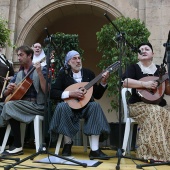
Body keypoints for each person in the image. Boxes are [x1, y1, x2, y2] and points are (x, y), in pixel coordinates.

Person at [49, 50, 110, 160]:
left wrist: (103, 82)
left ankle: (95, 150)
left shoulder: (89, 73)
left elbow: (97, 95)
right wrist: (71, 93)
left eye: (79, 58)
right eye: (74, 58)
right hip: (69, 107)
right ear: (68, 62)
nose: (78, 61)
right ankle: (68, 143)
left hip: (86, 107)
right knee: (62, 107)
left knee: (95, 106)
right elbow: (53, 92)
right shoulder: (63, 74)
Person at [122, 42, 170, 162]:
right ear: (138, 56)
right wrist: (144, 84)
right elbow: (125, 81)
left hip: (159, 105)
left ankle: (166, 152)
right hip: (137, 105)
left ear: (153, 54)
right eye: (140, 50)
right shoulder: (134, 67)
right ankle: (150, 154)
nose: (143, 51)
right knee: (155, 111)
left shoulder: (160, 70)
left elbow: (167, 91)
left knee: (165, 112)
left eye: (146, 49)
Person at [0, 45, 48, 156]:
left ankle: (17, 145)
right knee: (3, 106)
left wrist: (40, 73)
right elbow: (4, 95)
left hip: (37, 106)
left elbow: (46, 91)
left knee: (9, 106)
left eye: (21, 55)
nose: (19, 58)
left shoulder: (41, 69)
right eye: (18, 55)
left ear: (30, 55)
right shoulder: (18, 74)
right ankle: (3, 143)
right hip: (21, 106)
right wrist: (8, 89)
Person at [0, 45, 15, 148]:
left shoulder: (7, 61)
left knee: (3, 113)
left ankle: (4, 142)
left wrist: (10, 78)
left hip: (4, 92)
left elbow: (14, 75)